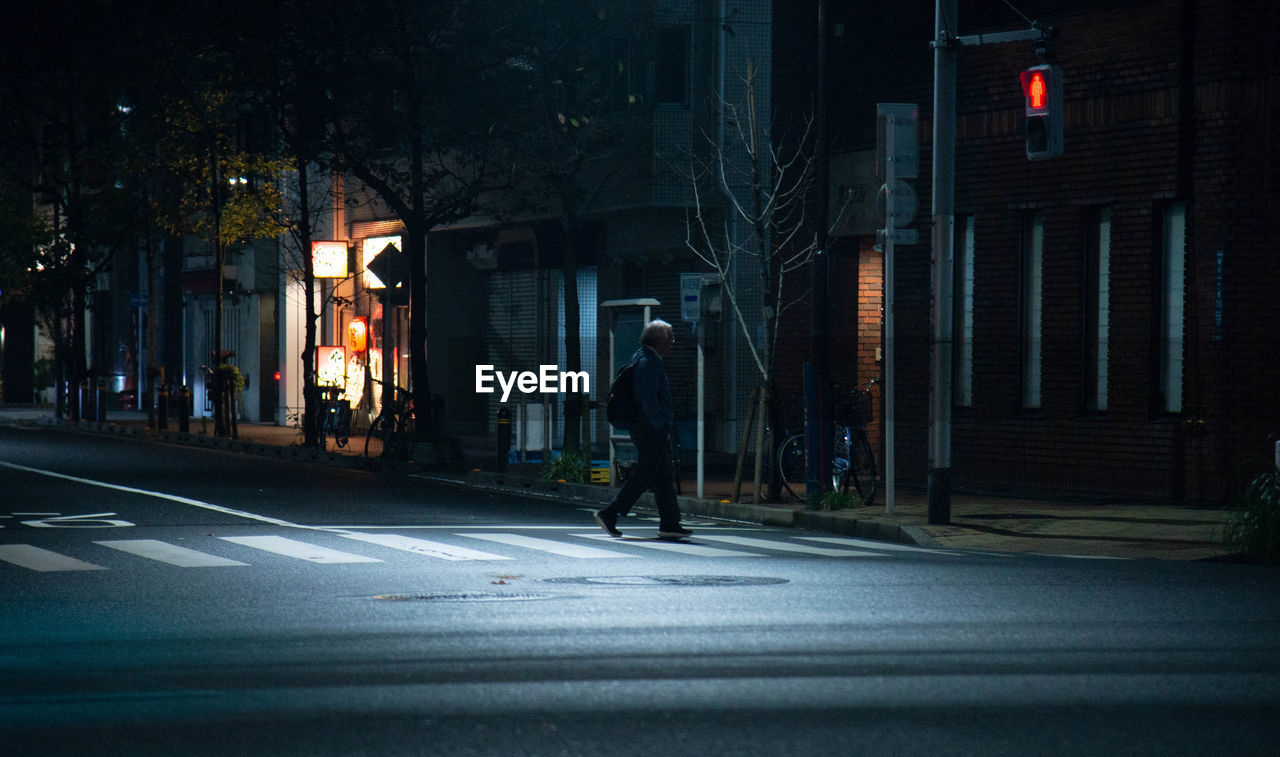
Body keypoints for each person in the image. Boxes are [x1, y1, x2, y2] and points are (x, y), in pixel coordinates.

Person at [594, 319, 691, 540]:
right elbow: (647, 399)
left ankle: (670, 523)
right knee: (645, 475)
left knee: (663, 476)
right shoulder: (650, 363)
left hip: (645, 427)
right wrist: (659, 425)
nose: (673, 343)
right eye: (670, 338)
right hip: (650, 428)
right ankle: (610, 513)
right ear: (658, 341)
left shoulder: (641, 357)